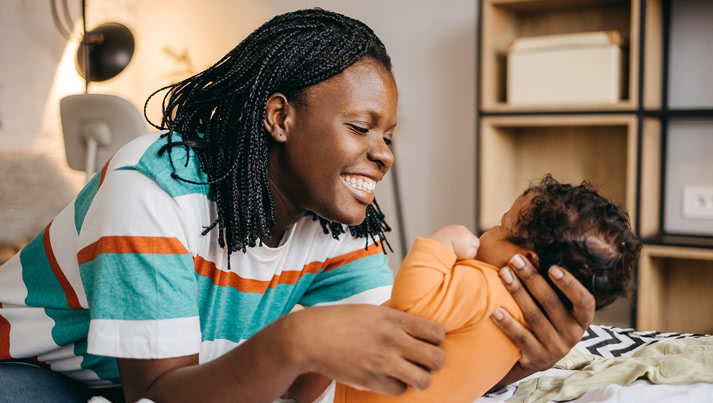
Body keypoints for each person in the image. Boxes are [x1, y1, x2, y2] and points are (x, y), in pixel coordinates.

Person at [0, 9, 597, 403]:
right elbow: (159, 392)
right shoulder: (154, 188)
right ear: (280, 117)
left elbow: (377, 383)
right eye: (361, 127)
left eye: (388, 136)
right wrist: (295, 342)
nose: (383, 155)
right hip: (29, 369)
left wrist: (514, 359)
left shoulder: (342, 228)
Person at [296, 175, 639, 403]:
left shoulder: (485, 285)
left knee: (309, 357)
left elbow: (413, 305)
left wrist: (439, 245)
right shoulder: (521, 326)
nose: (487, 231)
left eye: (502, 227)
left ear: (525, 260)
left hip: (353, 394)